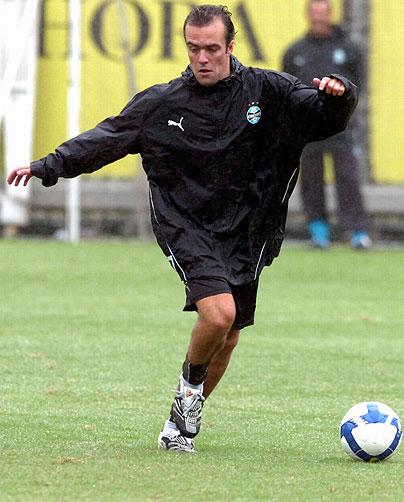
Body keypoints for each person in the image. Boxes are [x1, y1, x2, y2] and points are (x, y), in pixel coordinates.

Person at [8, 5, 358, 453]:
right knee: (219, 314)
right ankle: (188, 391)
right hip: (186, 225)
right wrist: (48, 165)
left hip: (248, 230)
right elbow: (107, 138)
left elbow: (325, 116)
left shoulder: (268, 91)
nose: (202, 58)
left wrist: (339, 94)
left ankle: (178, 425)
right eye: (194, 49)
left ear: (230, 47)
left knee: (227, 337)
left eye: (211, 48)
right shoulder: (163, 104)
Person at [282, 0, 371, 249]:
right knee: (311, 181)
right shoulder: (295, 51)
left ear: (330, 15)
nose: (318, 18)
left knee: (348, 178)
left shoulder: (349, 49)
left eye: (322, 13)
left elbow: (359, 86)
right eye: (314, 14)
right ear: (308, 15)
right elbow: (288, 90)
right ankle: (318, 231)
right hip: (309, 129)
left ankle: (358, 232)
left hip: (342, 128)